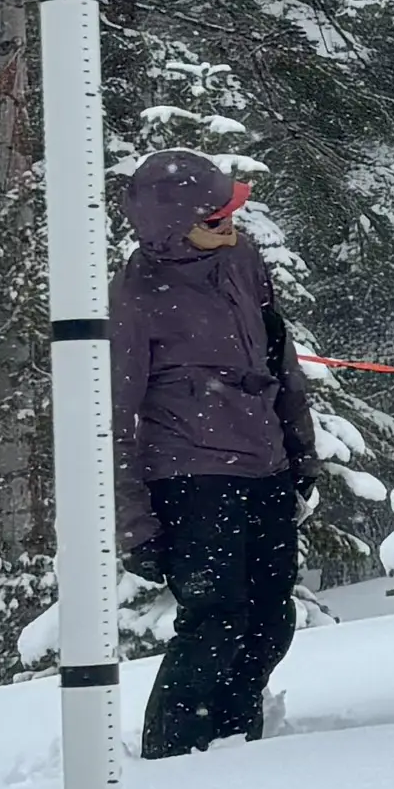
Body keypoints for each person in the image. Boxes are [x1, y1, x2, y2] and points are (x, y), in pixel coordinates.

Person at [107, 148, 315, 757]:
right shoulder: (136, 296)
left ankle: (233, 743)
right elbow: (113, 419)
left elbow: (281, 363)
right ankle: (175, 757)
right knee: (215, 620)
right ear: (171, 225)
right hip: (191, 477)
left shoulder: (242, 262)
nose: (232, 227)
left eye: (233, 215)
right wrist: (135, 523)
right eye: (216, 218)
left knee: (271, 620)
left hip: (265, 467)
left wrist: (301, 454)